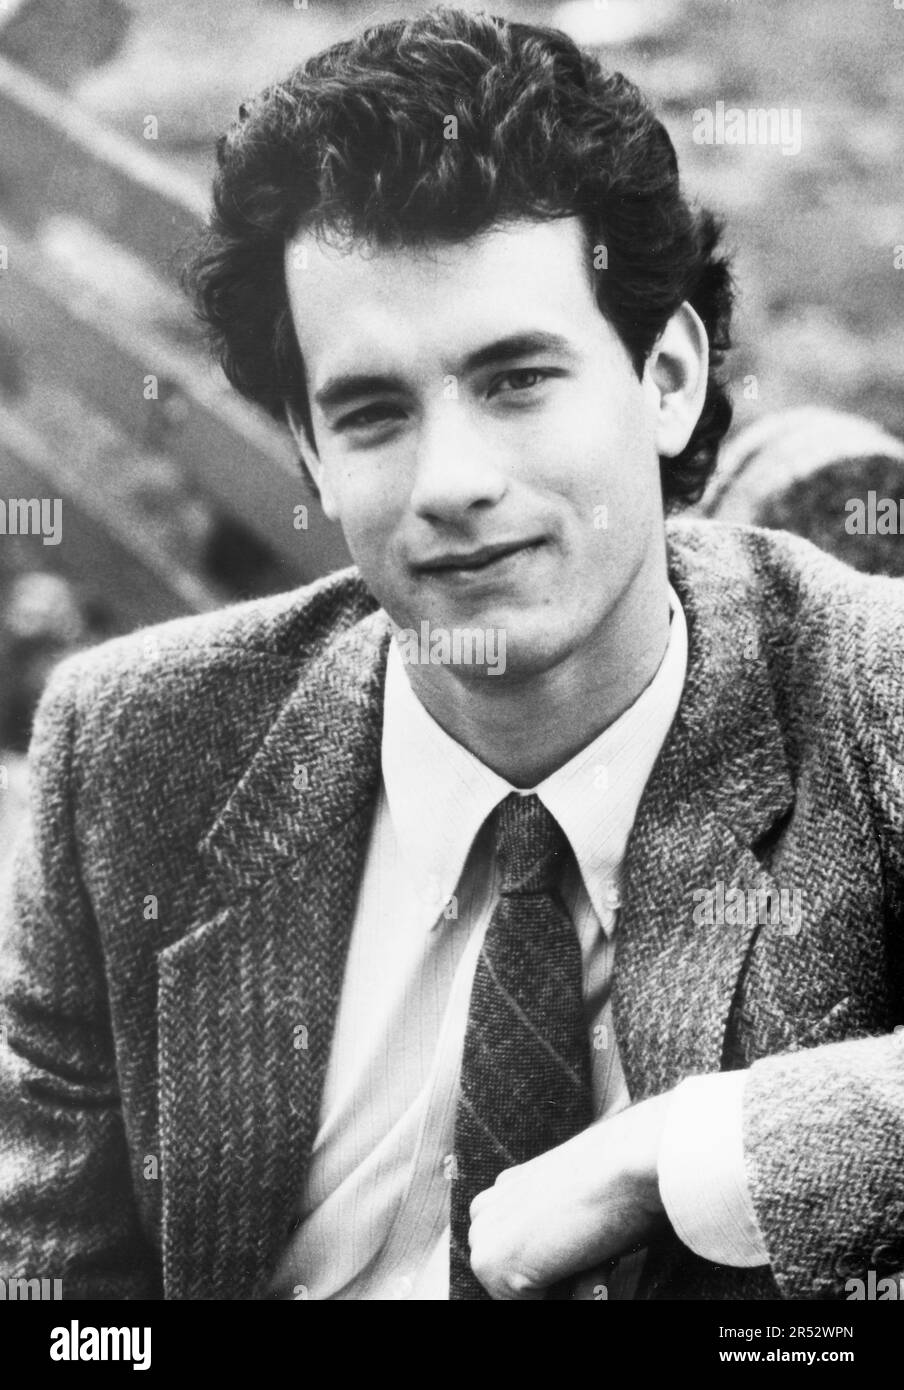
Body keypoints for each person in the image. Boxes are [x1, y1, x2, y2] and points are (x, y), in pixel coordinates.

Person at [2, 6, 903, 1301]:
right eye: (372, 414)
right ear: (311, 453)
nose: (454, 482)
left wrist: (676, 1156)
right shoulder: (131, 749)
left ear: (670, 377)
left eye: (518, 378)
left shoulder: (867, 692)